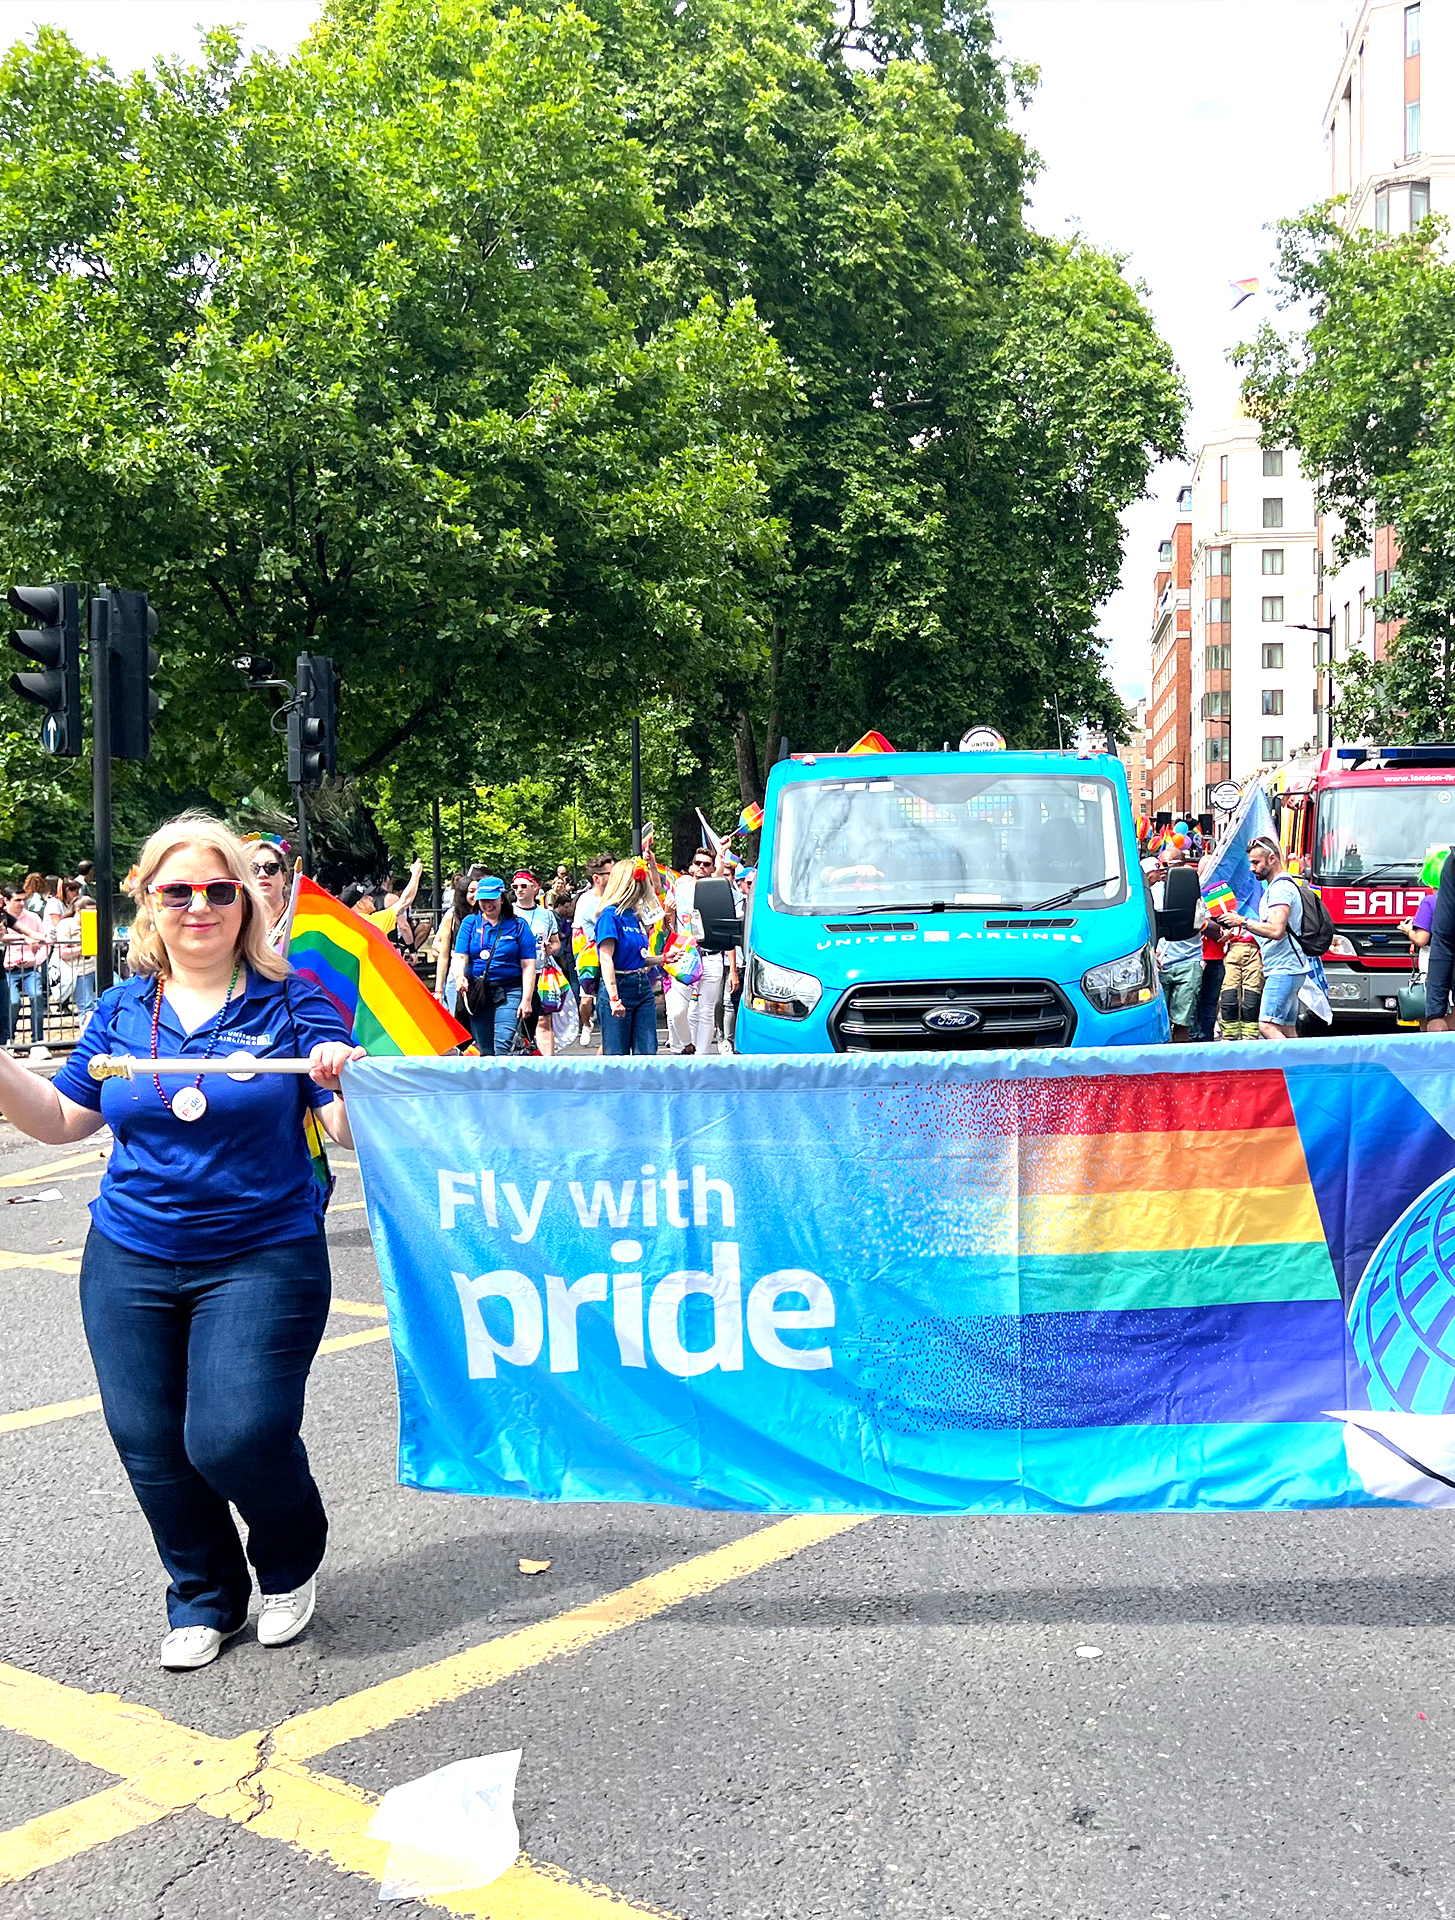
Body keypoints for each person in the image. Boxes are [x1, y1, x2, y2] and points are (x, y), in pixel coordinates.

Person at [0, 813, 363, 1670]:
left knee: (234, 1436)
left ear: (247, 902)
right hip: (128, 1251)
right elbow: (59, 1119)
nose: (198, 907)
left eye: (218, 890)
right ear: (148, 907)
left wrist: (348, 1080)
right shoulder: (122, 1009)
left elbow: (342, 1128)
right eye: (178, 892)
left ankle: (288, 1557)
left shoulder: (294, 1000)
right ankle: (204, 1593)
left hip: (261, 1251)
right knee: (151, 1444)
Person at [1223, 835, 1309, 1039]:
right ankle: (1298, 1069)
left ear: (1272, 859)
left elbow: (1276, 930)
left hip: (1284, 970)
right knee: (1287, 1029)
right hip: (1289, 968)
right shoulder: (1281, 886)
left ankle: (1294, 1068)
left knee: (1267, 1026)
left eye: (1255, 862)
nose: (1252, 868)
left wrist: (1242, 922)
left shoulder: (1280, 889)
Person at [451, 875, 537, 1055]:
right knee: (485, 1049)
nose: (487, 904)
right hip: (478, 992)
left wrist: (526, 1000)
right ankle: (489, 1083)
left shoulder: (518, 925)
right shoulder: (470, 923)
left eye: (492, 900)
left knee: (502, 1046)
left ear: (502, 898)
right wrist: (459, 977)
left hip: (510, 991)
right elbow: (460, 956)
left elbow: (528, 965)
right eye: (483, 900)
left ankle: (501, 1080)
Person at [595, 858, 667, 1055]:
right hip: (619, 985)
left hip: (641, 985)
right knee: (617, 1055)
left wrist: (663, 958)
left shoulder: (634, 916)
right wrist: (614, 998)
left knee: (647, 1050)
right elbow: (606, 958)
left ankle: (644, 1085)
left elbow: (636, 958)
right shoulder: (610, 916)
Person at [664, 845, 717, 1053]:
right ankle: (686, 1044)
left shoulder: (719, 890)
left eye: (707, 864)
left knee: (705, 1011)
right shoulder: (679, 890)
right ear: (692, 867)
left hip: (711, 955)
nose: (702, 867)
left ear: (712, 868)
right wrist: (667, 914)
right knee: (677, 1011)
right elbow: (665, 924)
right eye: (698, 863)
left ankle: (701, 1059)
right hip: (684, 954)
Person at [1151, 851, 1205, 1043]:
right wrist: (1150, 952)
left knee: (1183, 1022)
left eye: (1168, 864)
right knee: (1158, 1022)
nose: (1163, 870)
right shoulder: (1152, 892)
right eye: (1160, 865)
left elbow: (1212, 924)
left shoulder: (1196, 891)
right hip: (1160, 964)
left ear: (1182, 865)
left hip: (1188, 962)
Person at [512, 871, 560, 1058]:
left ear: (535, 887)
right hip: (517, 972)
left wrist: (551, 948)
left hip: (541, 972)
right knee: (517, 1018)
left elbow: (556, 942)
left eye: (524, 886)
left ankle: (548, 1063)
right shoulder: (510, 912)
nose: (519, 890)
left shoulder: (547, 915)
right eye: (515, 886)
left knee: (544, 1019)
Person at [2, 885, 50, 1056]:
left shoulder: (32, 917)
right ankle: (9, 1040)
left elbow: (42, 937)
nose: (22, 903)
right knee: (13, 1002)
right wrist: (24, 938)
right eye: (17, 900)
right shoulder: (4, 916)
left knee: (37, 997)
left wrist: (37, 959)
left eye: (24, 899)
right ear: (7, 900)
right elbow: (7, 935)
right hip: (9, 968)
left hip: (30, 967)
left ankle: (37, 1041)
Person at [572, 855, 613, 1045]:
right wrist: (578, 960)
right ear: (597, 878)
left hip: (615, 959)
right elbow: (577, 932)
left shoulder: (618, 896)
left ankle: (607, 1044)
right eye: (610, 874)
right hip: (593, 956)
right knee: (586, 1001)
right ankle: (586, 1024)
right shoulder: (586, 901)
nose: (615, 877)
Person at [242, 833, 293, 945]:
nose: (262, 874)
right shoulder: (237, 924)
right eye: (253, 868)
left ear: (284, 877)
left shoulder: (300, 921)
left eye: (271, 867)